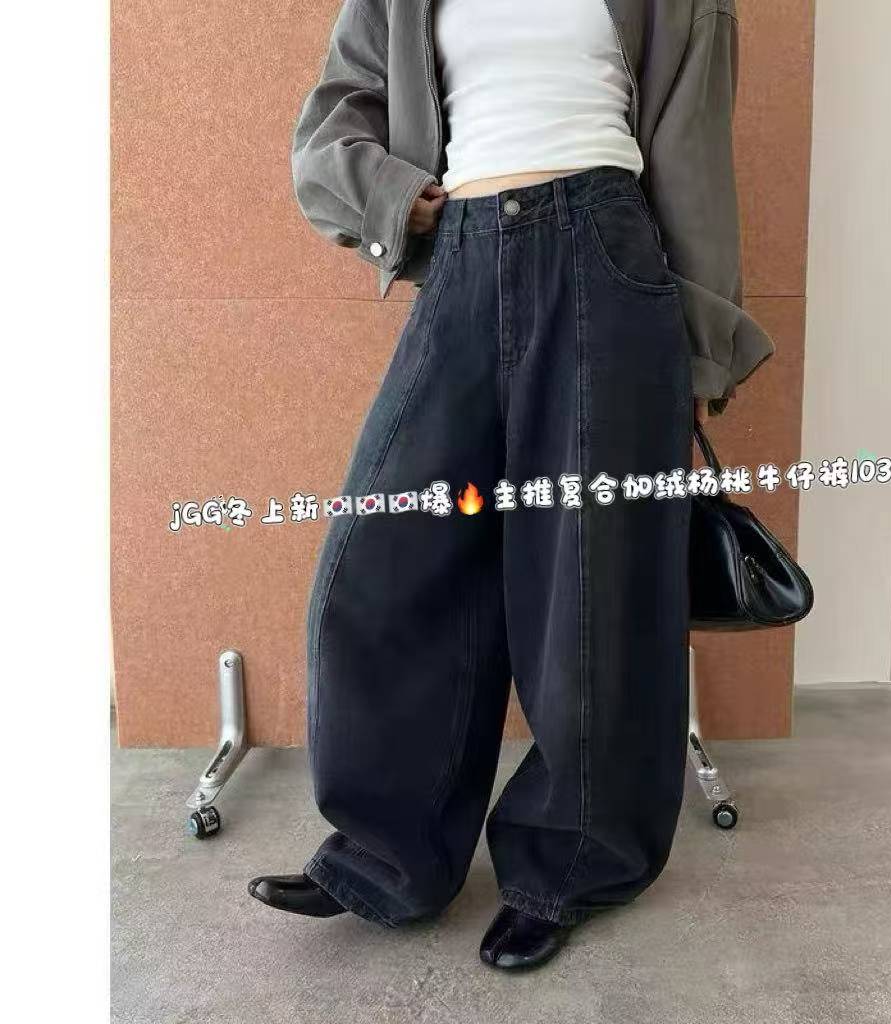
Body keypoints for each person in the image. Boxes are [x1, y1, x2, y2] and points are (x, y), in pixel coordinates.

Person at [249, 0, 773, 970]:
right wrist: (392, 196)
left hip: (607, 255)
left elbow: (692, 154)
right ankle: (389, 851)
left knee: (587, 592)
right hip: (464, 253)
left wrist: (701, 350)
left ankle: (572, 864)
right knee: (384, 560)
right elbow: (335, 117)